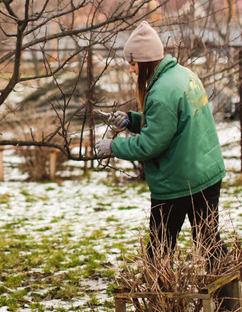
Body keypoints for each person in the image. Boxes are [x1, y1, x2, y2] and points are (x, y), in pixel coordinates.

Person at [94, 21, 227, 268]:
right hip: (206, 173)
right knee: (209, 242)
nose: (131, 70)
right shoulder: (184, 74)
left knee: (159, 249)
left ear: (144, 62)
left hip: (178, 181)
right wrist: (132, 121)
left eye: (133, 64)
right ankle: (226, 300)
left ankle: (158, 302)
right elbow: (172, 124)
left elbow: (150, 146)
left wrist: (113, 147)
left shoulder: (161, 92)